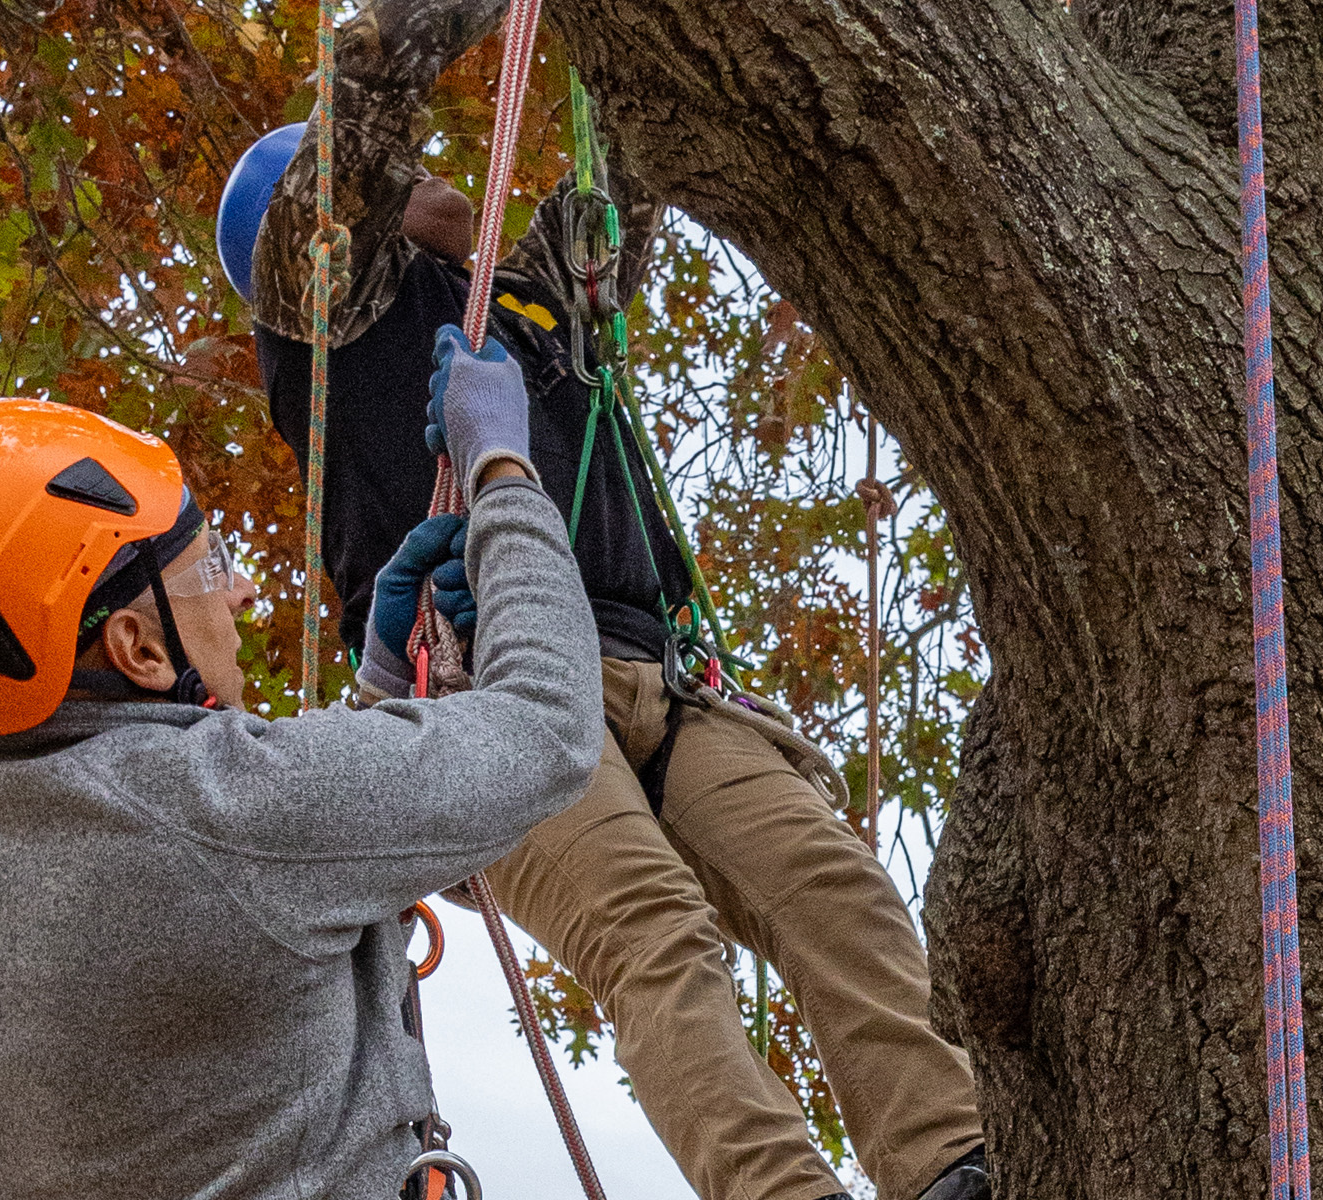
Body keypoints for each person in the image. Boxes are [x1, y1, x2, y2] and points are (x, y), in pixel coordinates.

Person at [225, 5, 994, 1199]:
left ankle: (953, 1158)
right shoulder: (325, 326)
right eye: (407, 185)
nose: (437, 191)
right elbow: (361, 133)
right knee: (653, 934)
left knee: (831, 888)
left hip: (657, 675)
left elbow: (627, 165)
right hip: (489, 693)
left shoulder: (530, 301)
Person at [0, 357, 593, 1198]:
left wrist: (382, 683)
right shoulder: (215, 812)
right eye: (209, 567)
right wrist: (503, 467)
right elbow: (548, 726)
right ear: (139, 647)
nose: (239, 590)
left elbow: (244, 928)